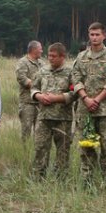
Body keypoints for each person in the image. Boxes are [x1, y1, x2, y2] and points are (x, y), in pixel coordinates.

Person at [72, 22, 106, 178]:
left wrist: (97, 100)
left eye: (97, 34)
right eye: (92, 34)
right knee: (86, 148)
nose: (94, 37)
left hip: (104, 110)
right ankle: (87, 180)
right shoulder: (81, 57)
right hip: (85, 110)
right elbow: (76, 80)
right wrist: (86, 99)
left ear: (104, 36)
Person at [31, 43, 75, 177]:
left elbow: (75, 93)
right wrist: (39, 96)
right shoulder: (42, 71)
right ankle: (38, 177)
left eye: (54, 56)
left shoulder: (71, 73)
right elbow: (33, 88)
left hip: (63, 118)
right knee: (40, 148)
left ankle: (61, 179)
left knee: (63, 150)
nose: (50, 58)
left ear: (62, 56)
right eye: (49, 55)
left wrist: (57, 98)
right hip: (44, 117)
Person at [15, 41, 43, 141]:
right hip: (27, 103)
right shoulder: (23, 62)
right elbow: (22, 79)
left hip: (40, 103)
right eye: (40, 49)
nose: (42, 51)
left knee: (40, 131)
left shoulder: (42, 63)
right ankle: (25, 149)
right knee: (26, 130)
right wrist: (38, 87)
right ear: (34, 50)